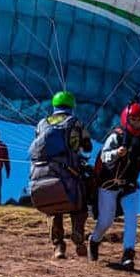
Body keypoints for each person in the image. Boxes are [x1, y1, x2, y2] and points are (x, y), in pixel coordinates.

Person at [88, 101, 140, 271]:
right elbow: (104, 157)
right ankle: (94, 240)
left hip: (130, 186)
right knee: (106, 221)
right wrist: (116, 153)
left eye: (139, 120)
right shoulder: (116, 136)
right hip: (109, 184)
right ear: (127, 118)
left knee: (132, 219)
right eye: (133, 119)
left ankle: (128, 254)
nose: (136, 123)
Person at [30, 91, 92, 259]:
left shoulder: (42, 123)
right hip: (67, 172)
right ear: (72, 106)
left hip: (42, 173)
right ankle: (78, 235)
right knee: (80, 204)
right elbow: (87, 147)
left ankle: (58, 246)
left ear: (54, 105)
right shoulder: (75, 122)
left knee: (53, 208)